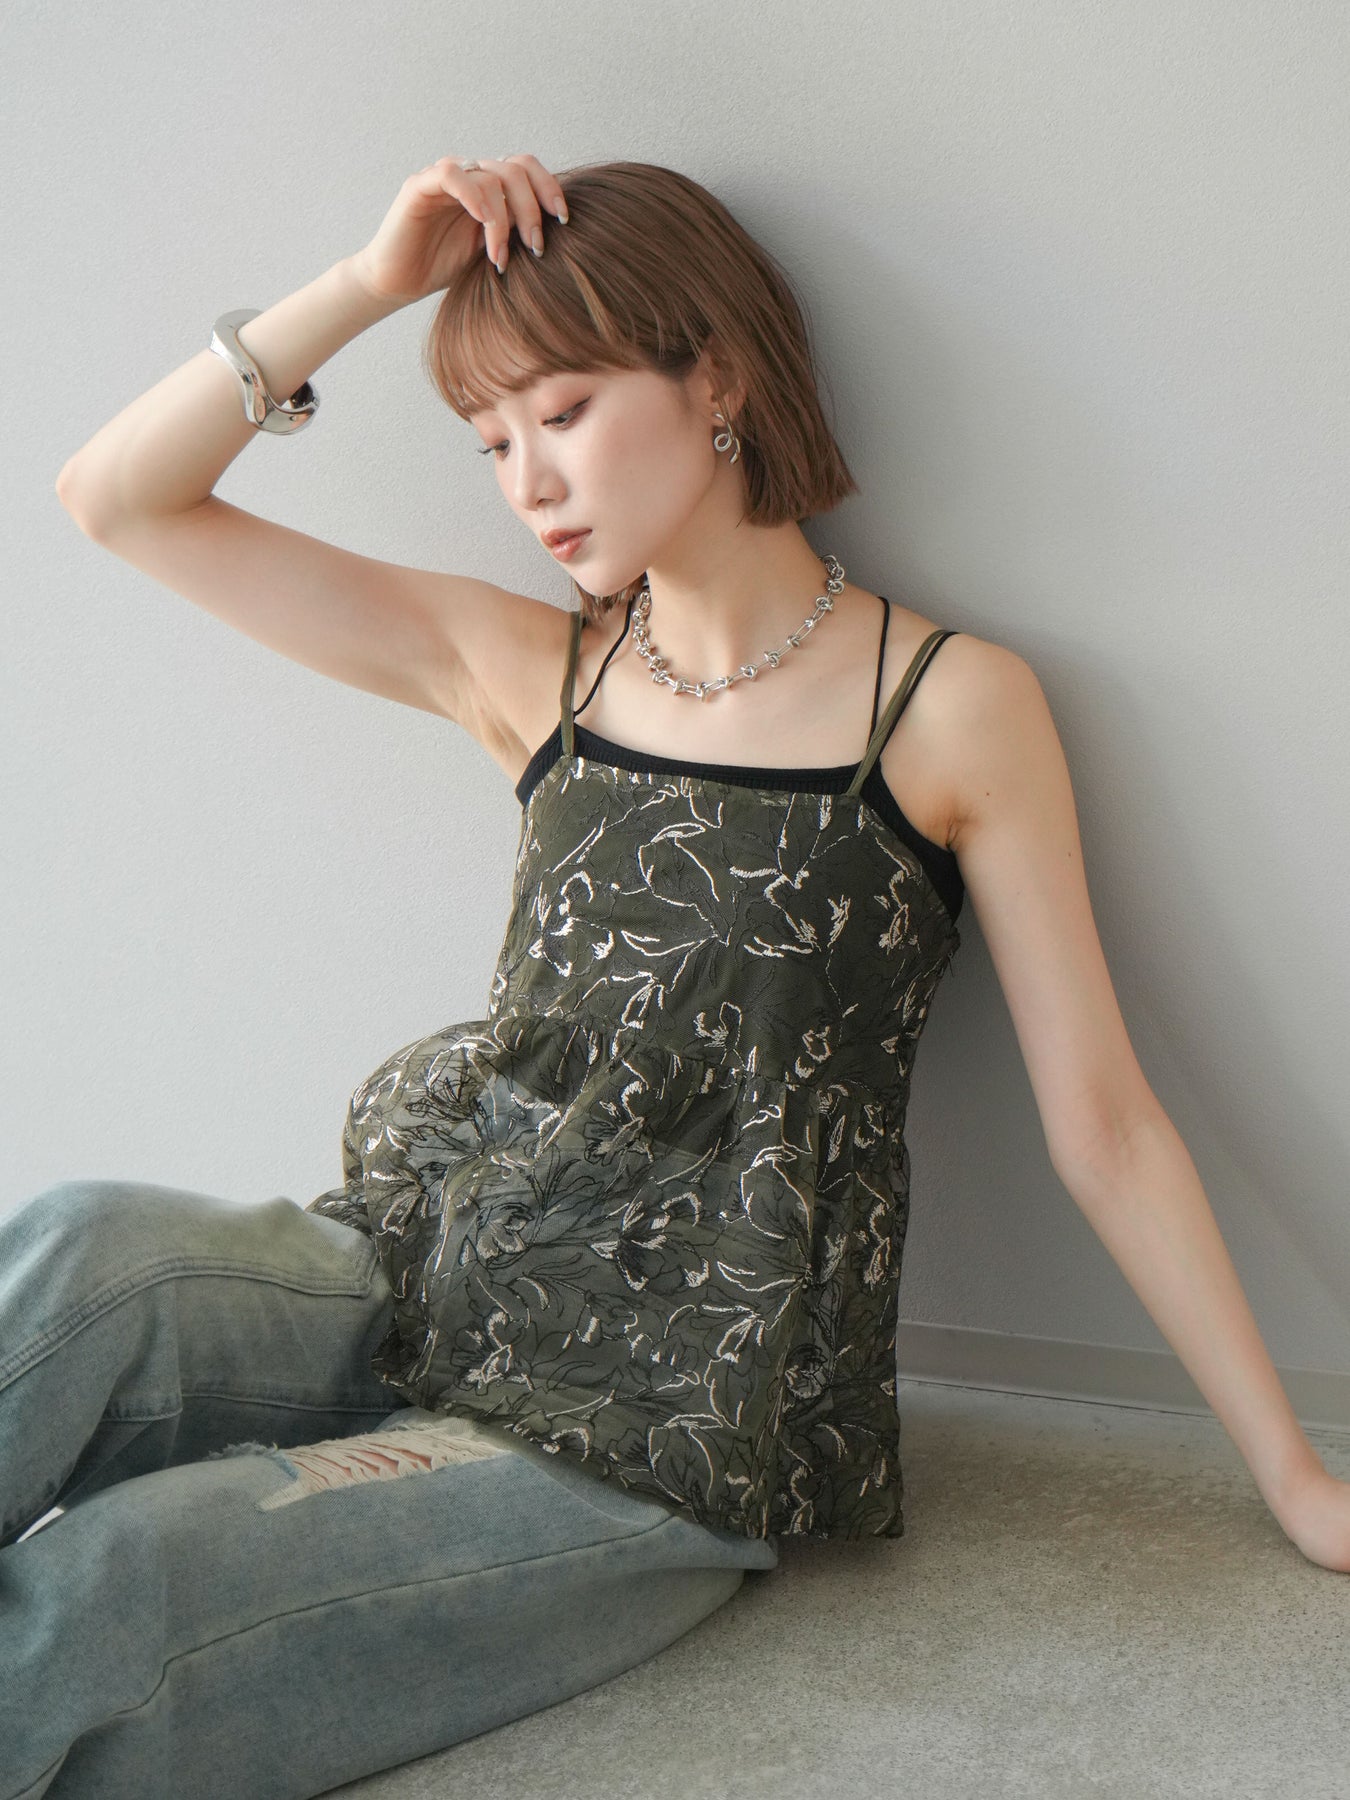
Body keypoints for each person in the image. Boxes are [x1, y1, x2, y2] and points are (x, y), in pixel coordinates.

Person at [10, 149, 1346, 1796]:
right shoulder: (534, 672)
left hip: (664, 1411)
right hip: (426, 1270)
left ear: (714, 378)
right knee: (77, 1250)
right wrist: (368, 284)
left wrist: (1294, 1477)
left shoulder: (944, 707)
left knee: (113, 1582)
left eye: (562, 412)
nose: (525, 480)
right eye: (490, 440)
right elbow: (117, 500)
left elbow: (1109, 1130)